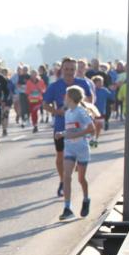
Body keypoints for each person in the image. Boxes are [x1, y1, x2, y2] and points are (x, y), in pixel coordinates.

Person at [43, 57, 96, 197]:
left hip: (79, 128)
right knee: (60, 155)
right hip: (61, 126)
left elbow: (90, 101)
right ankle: (62, 181)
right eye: (66, 69)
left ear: (76, 70)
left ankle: (78, 182)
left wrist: (82, 110)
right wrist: (57, 111)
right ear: (62, 69)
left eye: (72, 69)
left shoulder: (82, 83)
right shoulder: (55, 86)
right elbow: (45, 104)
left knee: (77, 155)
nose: (69, 72)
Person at [58, 86, 94, 220]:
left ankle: (86, 199)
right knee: (67, 176)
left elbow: (91, 128)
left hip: (82, 148)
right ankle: (67, 208)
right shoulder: (68, 113)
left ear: (71, 98)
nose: (64, 99)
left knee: (81, 179)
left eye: (66, 96)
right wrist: (62, 134)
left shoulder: (81, 112)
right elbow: (70, 130)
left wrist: (76, 135)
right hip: (69, 148)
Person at [26, 68, 47, 133]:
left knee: (35, 110)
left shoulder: (41, 81)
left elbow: (44, 89)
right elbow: (27, 91)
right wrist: (31, 92)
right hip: (32, 99)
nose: (33, 76)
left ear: (37, 74)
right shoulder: (28, 82)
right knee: (33, 113)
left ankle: (37, 123)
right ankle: (35, 125)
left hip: (39, 99)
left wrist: (40, 89)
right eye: (32, 74)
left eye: (34, 74)